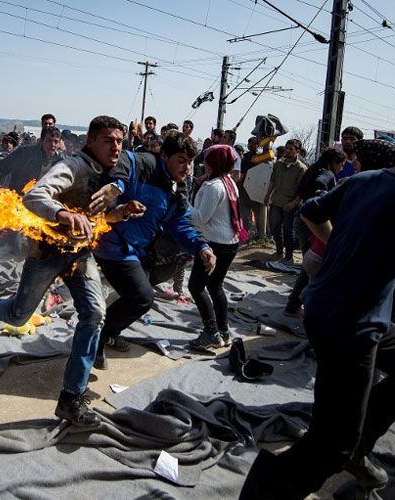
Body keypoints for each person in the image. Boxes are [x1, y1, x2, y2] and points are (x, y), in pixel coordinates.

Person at [240, 140, 395, 499]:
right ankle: (266, 492)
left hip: (325, 307)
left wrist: (339, 246)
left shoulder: (363, 181)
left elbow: (311, 210)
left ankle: (359, 440)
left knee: (342, 429)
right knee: (331, 445)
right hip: (350, 326)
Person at [0, 116, 130, 427]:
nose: (116, 147)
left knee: (95, 314)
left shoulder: (110, 175)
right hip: (47, 252)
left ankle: (72, 397)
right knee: (19, 315)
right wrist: (61, 213)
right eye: (109, 140)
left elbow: (97, 218)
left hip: (80, 253)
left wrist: (120, 213)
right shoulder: (71, 167)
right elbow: (34, 197)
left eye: (120, 141)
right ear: (91, 141)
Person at [93, 130, 213, 369]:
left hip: (142, 250)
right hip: (114, 245)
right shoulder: (143, 163)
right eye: (181, 160)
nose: (186, 167)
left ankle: (106, 330)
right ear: (164, 156)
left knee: (137, 295)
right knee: (142, 296)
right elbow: (122, 163)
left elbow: (181, 223)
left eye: (190, 162)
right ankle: (96, 338)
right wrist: (117, 187)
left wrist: (202, 246)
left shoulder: (178, 189)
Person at [186, 145, 242, 350]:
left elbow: (200, 218)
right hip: (231, 242)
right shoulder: (230, 183)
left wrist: (183, 204)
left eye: (207, 162)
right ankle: (224, 331)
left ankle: (211, 332)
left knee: (196, 286)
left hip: (214, 245)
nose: (204, 166)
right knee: (215, 286)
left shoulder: (213, 187)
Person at [284, 148, 345, 317]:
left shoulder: (314, 168)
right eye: (341, 164)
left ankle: (295, 303)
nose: (342, 168)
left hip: (303, 218)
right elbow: (320, 184)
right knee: (312, 263)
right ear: (334, 162)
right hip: (310, 221)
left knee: (310, 263)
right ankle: (295, 304)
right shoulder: (327, 174)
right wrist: (325, 197)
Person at [0, 127, 63, 198]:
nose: (52, 145)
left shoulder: (60, 161)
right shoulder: (25, 153)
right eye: (49, 141)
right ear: (41, 141)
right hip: (17, 200)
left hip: (42, 203)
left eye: (56, 141)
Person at [264, 138, 306, 262]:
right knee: (275, 228)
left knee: (288, 231)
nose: (287, 151)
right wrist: (267, 195)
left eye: (290, 149)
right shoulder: (279, 164)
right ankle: (278, 252)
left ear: (297, 151)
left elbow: (302, 190)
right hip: (276, 201)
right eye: (286, 148)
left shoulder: (301, 168)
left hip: (290, 204)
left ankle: (289, 256)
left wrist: (293, 203)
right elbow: (273, 181)